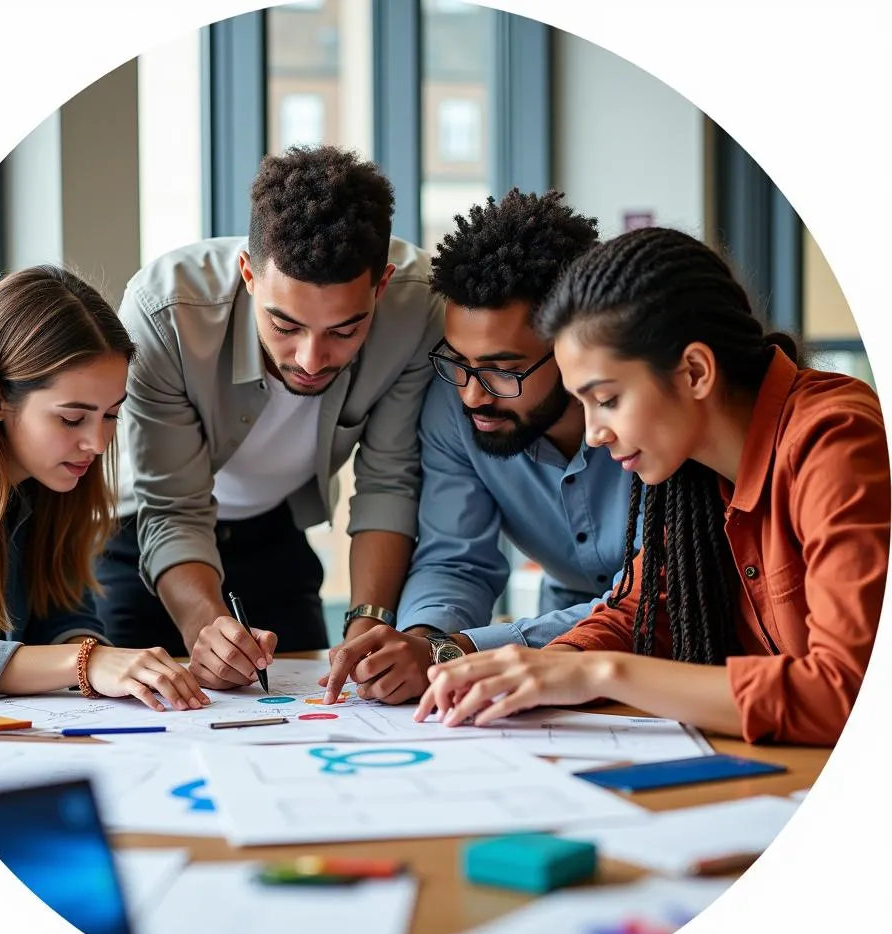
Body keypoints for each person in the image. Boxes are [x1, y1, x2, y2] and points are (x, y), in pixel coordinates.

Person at [418, 227, 889, 747]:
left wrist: (598, 674)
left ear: (694, 371)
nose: (595, 433)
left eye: (608, 399)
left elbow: (848, 694)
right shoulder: (693, 470)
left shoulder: (834, 438)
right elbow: (641, 610)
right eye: (584, 402)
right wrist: (541, 667)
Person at [95, 145, 443, 690]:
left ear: (381, 286)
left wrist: (369, 624)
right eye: (285, 326)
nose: (310, 359)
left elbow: (389, 481)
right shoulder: (164, 313)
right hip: (139, 537)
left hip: (274, 529)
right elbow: (172, 506)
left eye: (345, 330)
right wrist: (205, 628)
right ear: (248, 275)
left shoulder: (419, 306)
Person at [321, 188, 636, 705]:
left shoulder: (649, 420)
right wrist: (423, 640)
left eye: (504, 370)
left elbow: (649, 600)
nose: (472, 395)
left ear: (576, 349)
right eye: (460, 363)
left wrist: (459, 649)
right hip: (559, 637)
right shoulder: (453, 404)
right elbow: (455, 559)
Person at [0, 266, 206, 711]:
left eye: (111, 415)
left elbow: (65, 615)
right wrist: (86, 662)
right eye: (72, 418)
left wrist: (105, 662)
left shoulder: (52, 473)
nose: (99, 443)